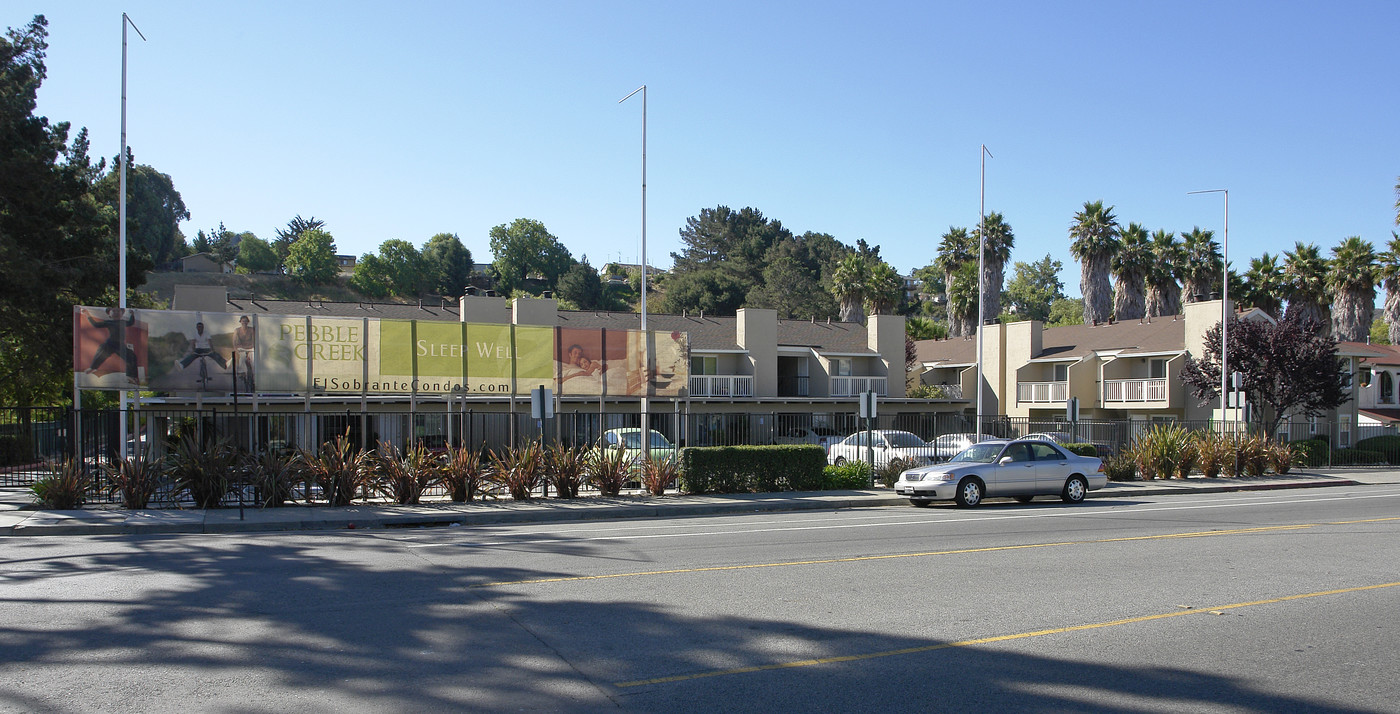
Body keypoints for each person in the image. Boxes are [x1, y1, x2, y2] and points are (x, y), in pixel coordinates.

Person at [82, 307, 138, 381]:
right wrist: (87, 314)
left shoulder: (123, 322)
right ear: (110, 314)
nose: (116, 312)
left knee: (131, 356)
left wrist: (132, 314)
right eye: (113, 311)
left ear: (122, 313)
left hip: (120, 344)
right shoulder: (108, 322)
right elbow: (96, 324)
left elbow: (131, 322)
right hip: (110, 343)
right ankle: (93, 367)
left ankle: (131, 376)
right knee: (102, 351)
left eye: (118, 311)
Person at [233, 315, 255, 389]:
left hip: (250, 348)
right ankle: (242, 374)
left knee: (253, 360)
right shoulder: (237, 330)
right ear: (240, 322)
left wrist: (249, 348)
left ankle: (254, 376)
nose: (244, 323)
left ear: (248, 322)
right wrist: (236, 349)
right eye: (243, 321)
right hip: (241, 348)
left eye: (246, 321)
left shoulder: (251, 330)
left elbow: (254, 341)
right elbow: (234, 342)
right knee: (242, 359)